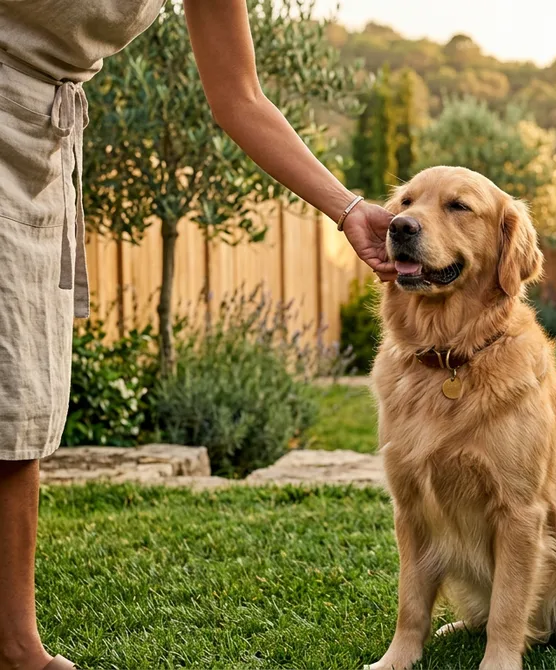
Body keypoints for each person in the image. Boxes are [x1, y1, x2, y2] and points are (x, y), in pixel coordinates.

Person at [0, 1, 399, 668]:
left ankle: (14, 647)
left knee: (20, 397)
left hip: (42, 132)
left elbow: (239, 97)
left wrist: (349, 208)